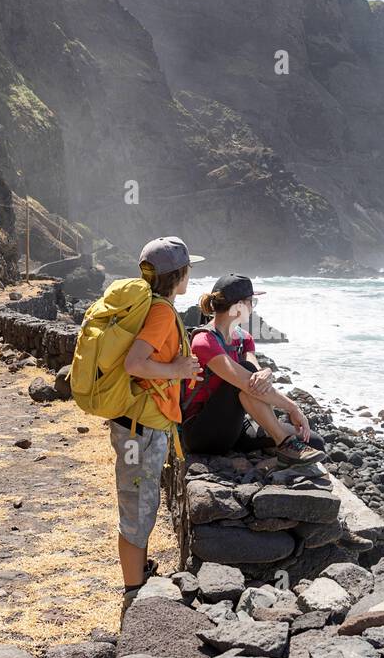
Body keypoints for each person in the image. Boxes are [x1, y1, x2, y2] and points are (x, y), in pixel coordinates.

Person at [112, 236, 203, 614]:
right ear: (178, 275)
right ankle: (134, 593)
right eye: (188, 270)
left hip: (138, 422)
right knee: (136, 507)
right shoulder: (163, 312)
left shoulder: (152, 305)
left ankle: (140, 576)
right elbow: (135, 364)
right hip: (142, 427)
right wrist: (177, 370)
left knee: (140, 503)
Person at [182, 273, 325, 466]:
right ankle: (284, 444)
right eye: (252, 302)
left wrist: (266, 372)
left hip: (234, 426)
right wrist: (292, 407)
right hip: (201, 433)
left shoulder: (244, 338)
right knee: (246, 375)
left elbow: (256, 376)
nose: (253, 306)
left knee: (314, 441)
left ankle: (284, 443)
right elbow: (246, 381)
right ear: (239, 306)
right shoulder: (204, 341)